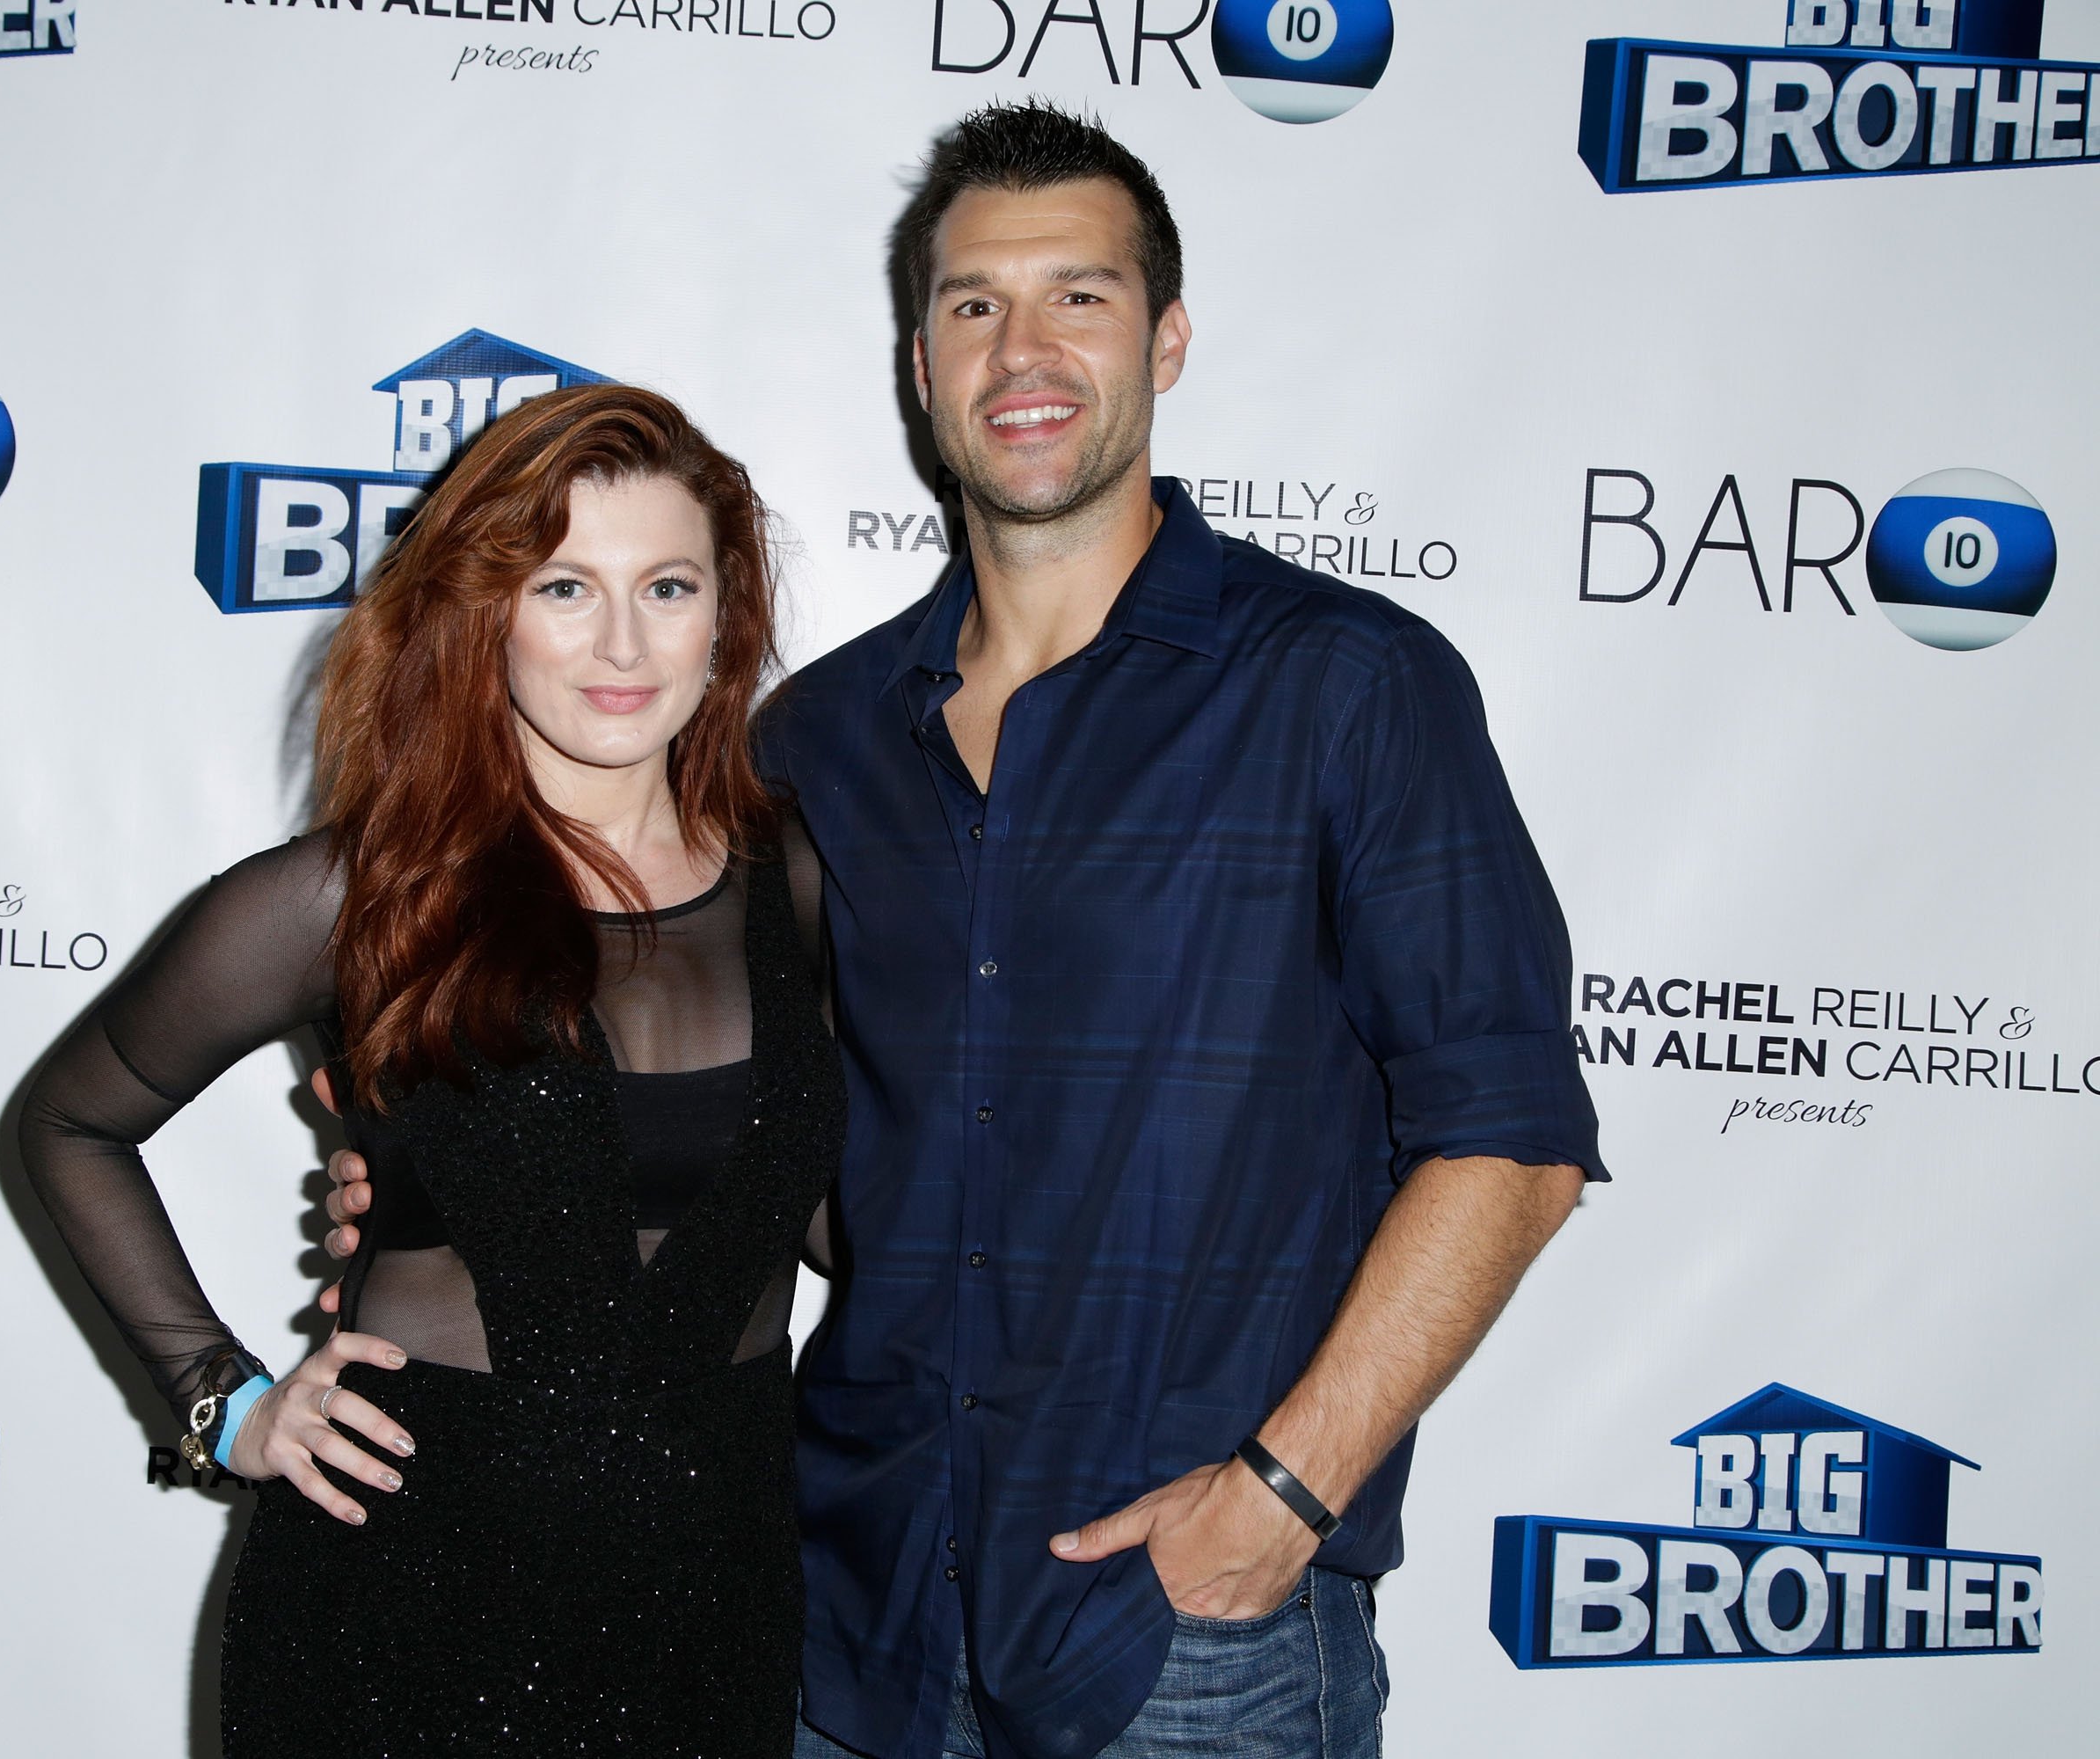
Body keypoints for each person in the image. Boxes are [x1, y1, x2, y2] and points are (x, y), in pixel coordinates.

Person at [327, 103, 1608, 1758]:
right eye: (971, 305)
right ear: (918, 367)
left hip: (1183, 1638)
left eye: (1081, 295)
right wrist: (451, 1170)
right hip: (846, 1614)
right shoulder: (816, 743)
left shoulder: (1344, 687)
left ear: (1169, 336)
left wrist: (1286, 1494)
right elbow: (753, 1129)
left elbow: (1510, 1139)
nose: (1026, 347)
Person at [18, 383, 843, 1757]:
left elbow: (812, 1206)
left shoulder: (809, 880)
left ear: (727, 615)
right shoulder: (354, 897)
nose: (624, 643)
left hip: (720, 1606)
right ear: (487, 616)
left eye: (670, 585)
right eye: (567, 586)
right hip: (398, 1605)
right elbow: (69, 1124)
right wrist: (222, 1407)